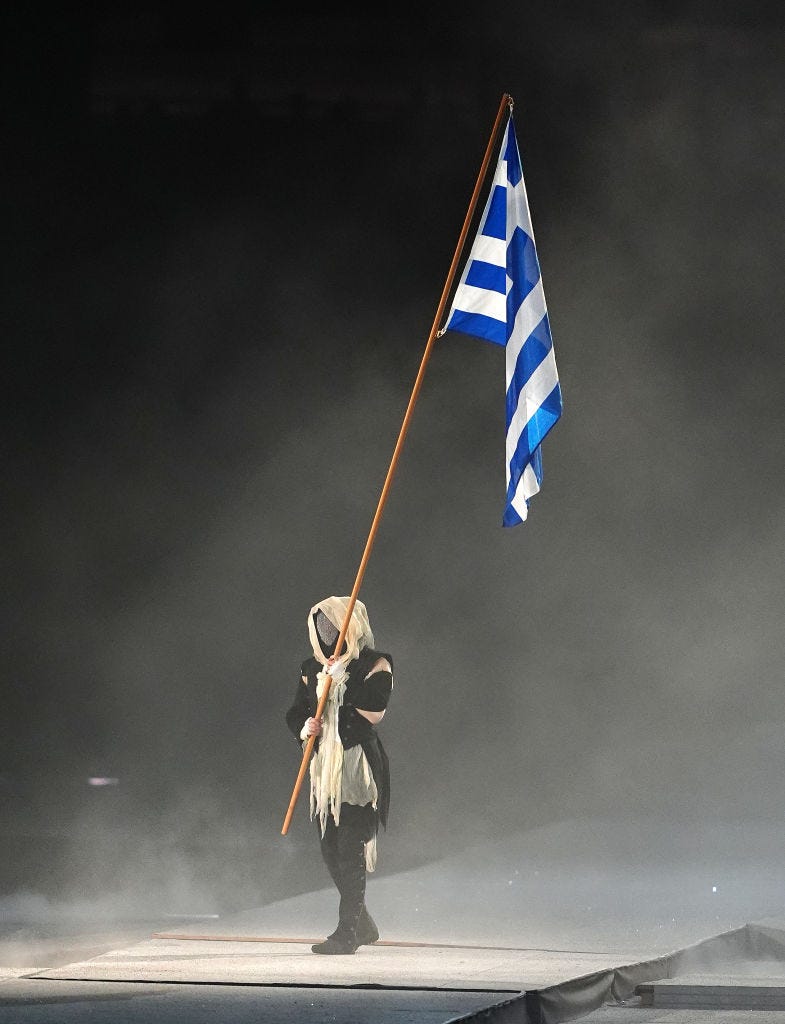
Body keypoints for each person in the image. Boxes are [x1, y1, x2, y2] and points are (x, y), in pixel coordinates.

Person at [285, 596, 393, 955]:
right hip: (324, 774)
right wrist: (306, 724)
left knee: (350, 848)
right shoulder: (309, 668)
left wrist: (342, 683)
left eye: (333, 626)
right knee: (330, 850)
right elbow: (296, 711)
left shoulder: (375, 665)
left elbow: (373, 711)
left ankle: (347, 931)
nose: (327, 634)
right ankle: (363, 924)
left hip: (357, 769)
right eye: (322, 628)